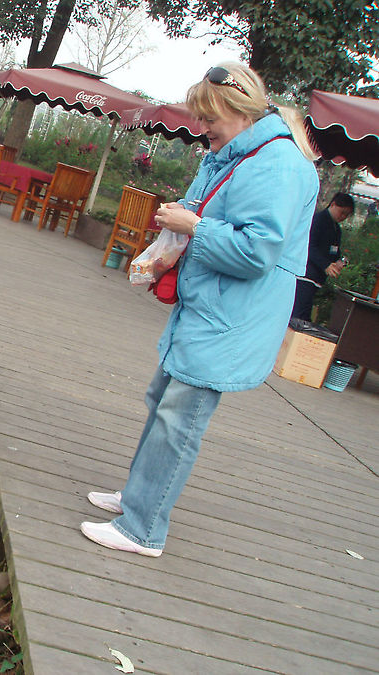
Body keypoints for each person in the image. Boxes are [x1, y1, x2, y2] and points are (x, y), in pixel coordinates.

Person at [80, 62, 319, 557]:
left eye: (209, 117)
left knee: (178, 419)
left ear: (237, 110)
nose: (202, 127)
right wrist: (182, 219)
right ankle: (136, 498)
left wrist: (192, 226)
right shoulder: (239, 154)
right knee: (160, 402)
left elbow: (258, 253)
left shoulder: (276, 164)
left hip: (230, 319)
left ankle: (142, 529)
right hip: (209, 310)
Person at [290, 192, 355, 321]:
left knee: (303, 315)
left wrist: (338, 262)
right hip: (306, 276)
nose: (343, 217)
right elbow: (309, 246)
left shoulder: (336, 228)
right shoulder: (318, 220)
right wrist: (325, 265)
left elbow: (335, 251)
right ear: (333, 204)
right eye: (342, 212)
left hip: (317, 279)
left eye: (346, 215)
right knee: (300, 316)